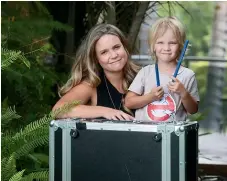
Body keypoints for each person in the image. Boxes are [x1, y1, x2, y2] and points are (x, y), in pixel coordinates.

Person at [52, 23, 140, 120]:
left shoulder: (142, 77)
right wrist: (106, 111)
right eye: (104, 52)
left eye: (116, 47)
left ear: (125, 47)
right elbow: (58, 110)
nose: (114, 55)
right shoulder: (91, 85)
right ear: (96, 58)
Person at [125, 17, 200, 122]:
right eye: (160, 42)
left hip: (174, 135)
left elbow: (193, 110)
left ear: (181, 46)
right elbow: (129, 102)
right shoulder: (145, 72)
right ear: (153, 46)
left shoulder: (187, 75)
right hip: (145, 133)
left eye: (172, 43)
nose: (166, 48)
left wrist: (183, 93)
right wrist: (150, 97)